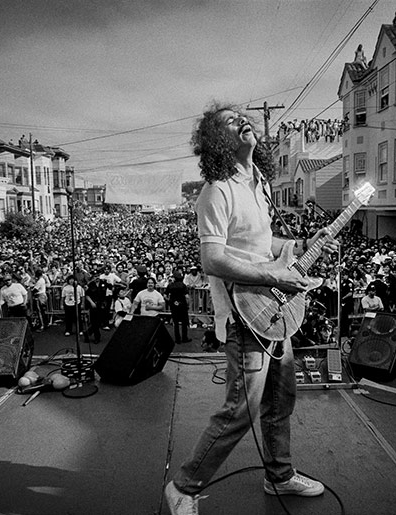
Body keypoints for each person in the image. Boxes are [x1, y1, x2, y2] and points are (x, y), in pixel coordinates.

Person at [165, 103, 338, 515]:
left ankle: (279, 475)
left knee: (281, 401)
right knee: (240, 409)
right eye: (229, 120)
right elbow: (213, 259)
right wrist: (276, 279)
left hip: (273, 312)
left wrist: (299, 245)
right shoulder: (217, 190)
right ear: (216, 140)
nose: (242, 120)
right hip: (245, 315)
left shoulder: (258, 182)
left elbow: (264, 246)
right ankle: (184, 487)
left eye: (243, 115)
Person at [166, 269, 191, 343]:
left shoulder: (170, 285)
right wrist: (188, 304)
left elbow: (165, 295)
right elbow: (187, 297)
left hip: (173, 305)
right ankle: (184, 338)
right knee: (184, 322)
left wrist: (170, 301)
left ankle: (177, 339)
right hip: (182, 305)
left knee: (175, 323)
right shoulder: (183, 286)